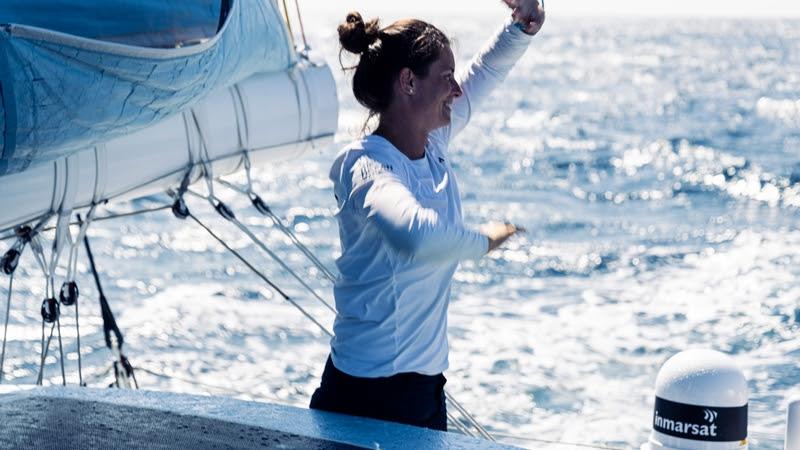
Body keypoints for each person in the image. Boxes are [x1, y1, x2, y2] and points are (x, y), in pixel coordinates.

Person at [310, 0, 545, 432]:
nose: (455, 90)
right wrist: (485, 240)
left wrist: (521, 28)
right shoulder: (367, 166)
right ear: (408, 83)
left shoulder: (432, 142)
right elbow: (415, 234)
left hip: (423, 391)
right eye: (445, 78)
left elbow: (484, 76)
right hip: (363, 397)